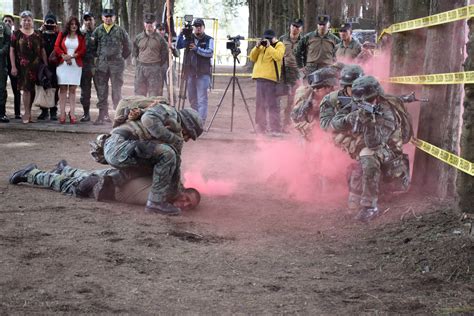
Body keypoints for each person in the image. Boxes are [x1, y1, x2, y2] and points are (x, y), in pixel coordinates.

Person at [332, 76, 412, 222]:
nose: (366, 103)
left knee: (369, 154)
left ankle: (370, 206)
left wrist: (368, 122)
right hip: (374, 150)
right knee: (355, 154)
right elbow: (334, 123)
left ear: (377, 96)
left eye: (369, 100)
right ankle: (357, 196)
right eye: (362, 101)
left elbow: (374, 143)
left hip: (391, 157)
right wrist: (350, 118)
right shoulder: (359, 104)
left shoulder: (387, 112)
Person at [8, 161, 201, 211]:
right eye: (186, 198)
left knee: (83, 175)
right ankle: (31, 173)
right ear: (183, 190)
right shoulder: (170, 186)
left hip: (112, 181)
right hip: (109, 184)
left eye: (188, 205)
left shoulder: (167, 199)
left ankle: (63, 168)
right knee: (69, 186)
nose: (184, 204)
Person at [93, 8, 131, 125]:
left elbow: (128, 47)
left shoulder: (120, 31)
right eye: (106, 16)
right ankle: (102, 115)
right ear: (102, 17)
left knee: (116, 91)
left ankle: (118, 116)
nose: (108, 18)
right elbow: (93, 47)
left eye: (111, 16)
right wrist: (99, 59)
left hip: (116, 65)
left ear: (114, 18)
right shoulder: (98, 31)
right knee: (102, 91)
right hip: (102, 65)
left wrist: (119, 58)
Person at [10, 10, 48, 124]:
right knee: (26, 90)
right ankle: (26, 113)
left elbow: (42, 50)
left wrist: (45, 65)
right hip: (23, 67)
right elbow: (12, 51)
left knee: (33, 90)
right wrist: (13, 66)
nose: (27, 22)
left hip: (36, 66)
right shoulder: (16, 34)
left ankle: (30, 112)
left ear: (32, 21)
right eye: (24, 20)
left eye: (29, 20)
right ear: (21, 21)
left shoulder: (38, 34)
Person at [176, 18, 214, 123]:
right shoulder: (189, 38)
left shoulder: (209, 39)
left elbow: (209, 53)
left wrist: (197, 49)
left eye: (199, 26)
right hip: (190, 73)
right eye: (196, 26)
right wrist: (180, 35)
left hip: (203, 74)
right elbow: (178, 46)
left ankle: (201, 122)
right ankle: (195, 120)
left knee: (202, 99)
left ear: (203, 27)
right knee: (192, 99)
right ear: (193, 28)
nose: (198, 28)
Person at [249, 29, 286, 135]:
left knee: (272, 104)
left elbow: (278, 56)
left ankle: (275, 128)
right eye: (266, 38)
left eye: (269, 38)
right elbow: (252, 57)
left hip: (271, 79)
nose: (267, 40)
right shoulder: (261, 46)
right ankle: (261, 127)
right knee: (260, 104)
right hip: (259, 78)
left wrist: (269, 46)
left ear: (274, 37)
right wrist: (257, 47)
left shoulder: (279, 45)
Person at [290, 66, 339, 140]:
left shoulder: (339, 96)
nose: (315, 90)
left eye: (319, 87)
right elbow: (295, 117)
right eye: (314, 87)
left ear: (329, 87)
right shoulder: (309, 97)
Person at [54, 16, 86, 124]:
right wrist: (64, 56)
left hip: (75, 65)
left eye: (76, 24)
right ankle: (62, 114)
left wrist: (71, 57)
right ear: (68, 25)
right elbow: (56, 46)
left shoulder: (81, 36)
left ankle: (72, 114)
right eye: (72, 24)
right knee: (62, 89)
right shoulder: (62, 34)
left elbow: (82, 50)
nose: (74, 26)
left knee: (72, 89)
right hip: (62, 64)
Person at [319, 64, 364, 132]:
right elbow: (325, 125)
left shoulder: (371, 97)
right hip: (343, 134)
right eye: (353, 86)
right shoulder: (331, 99)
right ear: (346, 86)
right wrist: (345, 120)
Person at [295, 15, 340, 81]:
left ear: (328, 25)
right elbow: (298, 52)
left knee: (325, 89)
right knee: (308, 89)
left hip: (326, 68)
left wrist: (335, 66)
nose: (322, 26)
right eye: (320, 24)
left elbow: (340, 53)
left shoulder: (334, 39)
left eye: (324, 24)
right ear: (317, 25)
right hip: (310, 69)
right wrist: (301, 67)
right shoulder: (308, 37)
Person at [133, 13, 168, 97]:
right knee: (139, 95)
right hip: (141, 69)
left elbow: (164, 55)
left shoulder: (160, 39)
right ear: (144, 24)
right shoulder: (138, 38)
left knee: (154, 95)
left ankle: (152, 110)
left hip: (154, 69)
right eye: (147, 22)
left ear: (155, 23)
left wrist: (156, 65)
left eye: (151, 23)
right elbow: (135, 52)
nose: (149, 25)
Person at [279, 18, 304, 133]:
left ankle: (287, 125)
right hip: (282, 71)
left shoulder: (304, 41)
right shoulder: (282, 39)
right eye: (293, 26)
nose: (295, 28)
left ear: (301, 29)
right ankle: (276, 125)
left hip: (296, 72)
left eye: (297, 27)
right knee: (278, 97)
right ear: (290, 27)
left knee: (292, 100)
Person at [38, 12, 60, 121]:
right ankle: (44, 111)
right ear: (44, 23)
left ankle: (53, 110)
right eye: (48, 22)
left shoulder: (58, 35)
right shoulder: (40, 35)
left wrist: (58, 31)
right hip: (43, 65)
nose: (50, 25)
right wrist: (40, 30)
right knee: (43, 86)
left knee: (54, 88)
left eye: (52, 23)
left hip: (55, 66)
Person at [3, 15, 21, 119]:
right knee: (2, 90)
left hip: (13, 65)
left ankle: (17, 113)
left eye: (9, 21)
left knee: (16, 90)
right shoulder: (1, 36)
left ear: (13, 23)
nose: (7, 23)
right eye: (5, 21)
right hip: (3, 66)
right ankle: (3, 112)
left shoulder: (16, 35)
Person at [79, 11, 96, 122]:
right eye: (86, 19)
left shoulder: (99, 32)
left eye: (90, 19)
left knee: (102, 90)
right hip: (84, 65)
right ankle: (86, 114)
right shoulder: (80, 33)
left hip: (97, 65)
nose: (88, 22)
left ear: (94, 20)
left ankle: (104, 115)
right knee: (85, 91)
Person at [0, 16, 11, 123]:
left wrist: (1, 51)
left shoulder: (3, 27)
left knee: (1, 88)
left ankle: (1, 113)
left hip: (1, 63)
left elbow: (8, 42)